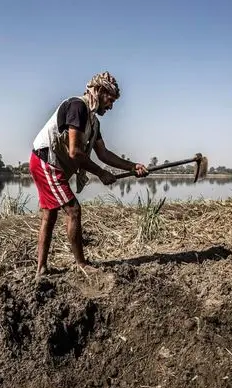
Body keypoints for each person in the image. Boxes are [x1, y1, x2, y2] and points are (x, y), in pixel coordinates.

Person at [29, 71, 149, 280]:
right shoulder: (78, 107)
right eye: (109, 100)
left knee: (50, 214)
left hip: (52, 163)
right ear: (100, 91)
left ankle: (41, 269)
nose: (111, 106)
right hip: (45, 161)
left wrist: (132, 167)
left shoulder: (94, 123)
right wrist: (101, 173)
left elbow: (104, 154)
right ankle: (81, 264)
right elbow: (75, 152)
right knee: (73, 210)